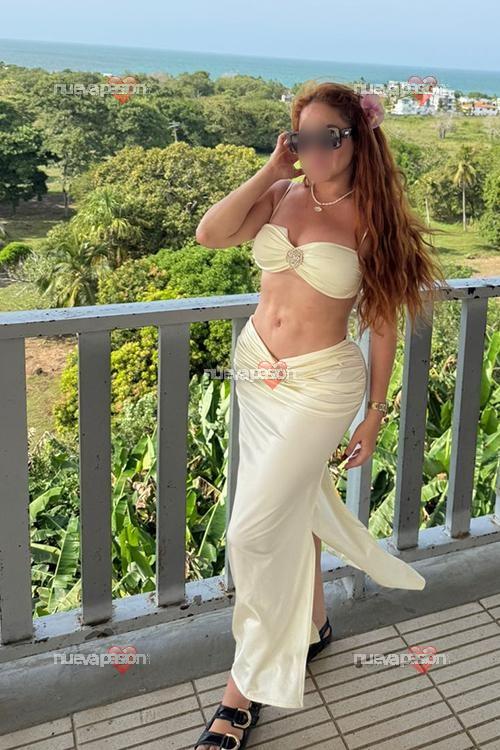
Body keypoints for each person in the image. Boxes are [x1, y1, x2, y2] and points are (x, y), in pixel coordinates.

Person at [194, 80, 448, 750]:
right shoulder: (281, 193)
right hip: (257, 374)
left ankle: (241, 691)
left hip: (320, 387)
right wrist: (270, 169)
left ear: (357, 139)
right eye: (301, 137)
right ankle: (313, 625)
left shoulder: (374, 220)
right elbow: (209, 233)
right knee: (294, 506)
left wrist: (375, 412)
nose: (314, 150)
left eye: (328, 137)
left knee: (251, 533)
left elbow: (384, 326)